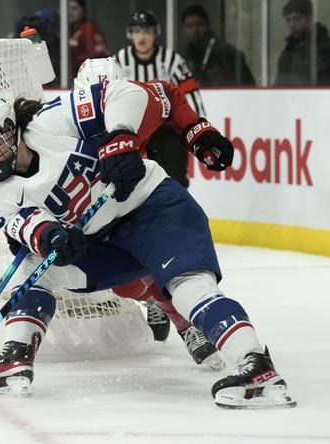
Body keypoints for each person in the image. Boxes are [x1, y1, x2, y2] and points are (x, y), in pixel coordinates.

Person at [0, 79, 296, 409]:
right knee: (33, 269)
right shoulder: (1, 198)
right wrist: (52, 237)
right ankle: (15, 357)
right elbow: (29, 229)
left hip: (154, 211)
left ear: (9, 129)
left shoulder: (52, 121)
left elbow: (126, 93)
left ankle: (255, 366)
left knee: (188, 288)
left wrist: (120, 137)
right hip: (104, 244)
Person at [74, 57, 222, 370]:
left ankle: (186, 324)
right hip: (98, 211)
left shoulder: (136, 98)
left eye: (110, 97)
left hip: (139, 198)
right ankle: (155, 300)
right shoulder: (64, 122)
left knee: (166, 264)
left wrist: (196, 130)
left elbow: (169, 94)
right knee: (123, 283)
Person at [114, 10, 204, 189]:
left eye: (147, 31)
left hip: (169, 133)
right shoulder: (120, 61)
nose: (142, 37)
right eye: (137, 31)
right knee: (136, 185)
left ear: (155, 33)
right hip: (135, 132)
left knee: (175, 181)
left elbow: (191, 94)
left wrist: (198, 129)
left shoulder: (172, 61)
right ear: (130, 34)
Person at [180, 4, 255, 87]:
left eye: (199, 24)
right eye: (190, 26)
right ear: (184, 30)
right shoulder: (182, 56)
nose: (195, 30)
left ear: (208, 26)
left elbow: (248, 86)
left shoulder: (228, 53)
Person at [274, 0, 330, 86]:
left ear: (310, 18)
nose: (292, 25)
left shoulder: (326, 47)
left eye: (297, 19)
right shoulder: (287, 52)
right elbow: (279, 84)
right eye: (288, 20)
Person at [68, 0, 109, 77]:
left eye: (74, 8)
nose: (69, 12)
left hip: (89, 76)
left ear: (83, 10)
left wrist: (74, 60)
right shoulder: (66, 30)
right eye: (68, 8)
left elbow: (99, 57)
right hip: (74, 76)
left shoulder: (89, 29)